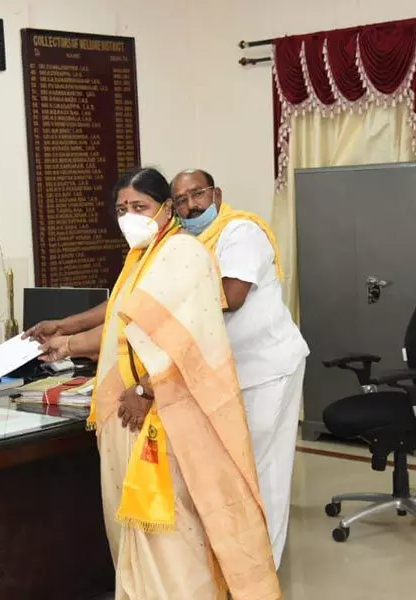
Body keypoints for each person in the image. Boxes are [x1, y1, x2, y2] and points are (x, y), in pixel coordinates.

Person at [67, 167, 279, 598]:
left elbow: (188, 336)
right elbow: (119, 327)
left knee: (172, 528)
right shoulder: (140, 259)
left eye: (140, 207)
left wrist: (146, 388)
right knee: (135, 527)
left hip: (164, 410)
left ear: (166, 209)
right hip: (128, 412)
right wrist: (63, 343)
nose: (130, 216)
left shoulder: (184, 253)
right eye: (122, 209)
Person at [169, 168, 308, 569]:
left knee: (265, 472)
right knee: (235, 473)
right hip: (228, 372)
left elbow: (232, 296)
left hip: (268, 368)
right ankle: (237, 564)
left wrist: (167, 313)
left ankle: (262, 571)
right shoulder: (185, 242)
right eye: (181, 200)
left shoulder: (240, 232)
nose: (191, 206)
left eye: (198, 194)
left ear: (216, 193)